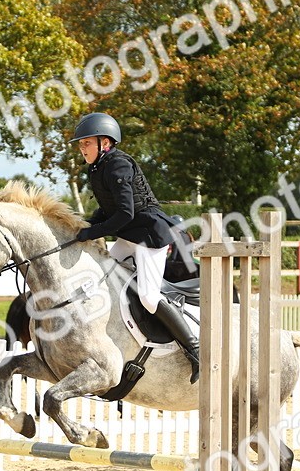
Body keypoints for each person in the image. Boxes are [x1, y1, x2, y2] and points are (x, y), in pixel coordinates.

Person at [69, 112, 201, 383]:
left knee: (149, 297)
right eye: (80, 145)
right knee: (103, 279)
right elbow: (107, 211)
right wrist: (79, 226)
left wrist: (91, 232)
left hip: (150, 236)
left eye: (86, 144)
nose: (82, 149)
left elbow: (125, 214)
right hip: (130, 235)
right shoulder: (97, 169)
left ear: (104, 143)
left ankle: (195, 350)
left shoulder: (118, 165)